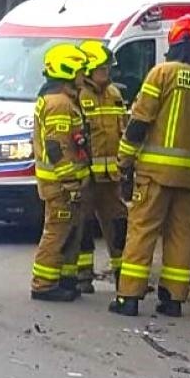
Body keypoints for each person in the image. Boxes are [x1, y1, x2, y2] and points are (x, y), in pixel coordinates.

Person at [110, 15, 190, 318]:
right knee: (181, 234)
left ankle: (129, 297)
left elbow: (139, 122)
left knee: (142, 231)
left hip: (154, 173)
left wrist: (124, 161)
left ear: (174, 44)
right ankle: (173, 299)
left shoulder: (161, 74)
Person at [31, 44, 92, 302]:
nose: (83, 77)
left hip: (60, 182)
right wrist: (70, 181)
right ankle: (43, 284)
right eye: (80, 71)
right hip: (60, 183)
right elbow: (57, 147)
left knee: (67, 230)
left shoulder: (61, 99)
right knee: (56, 231)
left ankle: (64, 279)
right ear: (67, 71)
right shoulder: (59, 104)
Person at [75, 39, 128, 293]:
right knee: (82, 225)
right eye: (102, 69)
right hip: (86, 177)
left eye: (108, 69)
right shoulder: (77, 96)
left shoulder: (114, 94)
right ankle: (82, 277)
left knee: (117, 223)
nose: (107, 73)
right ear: (88, 71)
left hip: (111, 177)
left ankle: (123, 274)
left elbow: (123, 132)